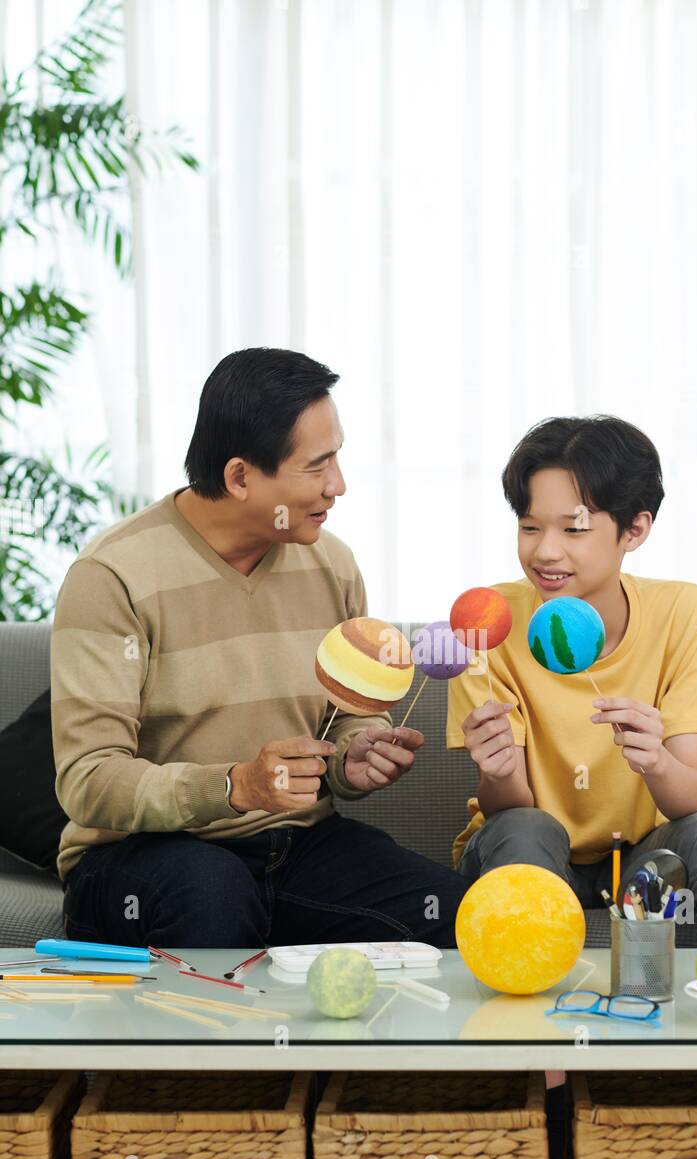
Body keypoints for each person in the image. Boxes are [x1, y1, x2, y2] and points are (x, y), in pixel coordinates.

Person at [52, 347, 465, 950]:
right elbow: (90, 780)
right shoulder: (113, 577)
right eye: (317, 466)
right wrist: (233, 787)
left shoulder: (332, 563)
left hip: (296, 846)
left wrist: (352, 757)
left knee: (455, 913)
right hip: (142, 857)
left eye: (338, 457)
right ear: (241, 476)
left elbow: (346, 714)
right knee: (215, 898)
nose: (339, 485)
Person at [446, 415, 697, 950]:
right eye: (530, 527)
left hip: (643, 863)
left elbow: (695, 801)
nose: (545, 551)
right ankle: (521, 1025)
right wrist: (496, 768)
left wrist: (656, 761)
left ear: (635, 530)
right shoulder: (489, 620)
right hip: (527, 846)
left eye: (573, 528)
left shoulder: (687, 613)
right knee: (527, 828)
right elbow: (511, 809)